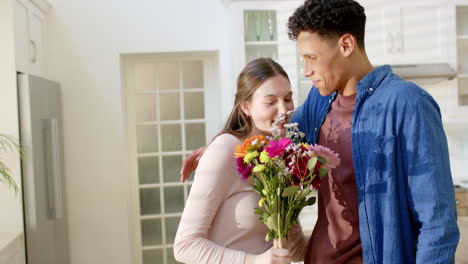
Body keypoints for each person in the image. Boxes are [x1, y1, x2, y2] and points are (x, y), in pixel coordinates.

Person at [181, 0, 460, 263]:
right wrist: (221, 149)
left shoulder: (408, 105)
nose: (306, 71)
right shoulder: (320, 101)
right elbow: (274, 139)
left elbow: (438, 222)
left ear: (346, 45)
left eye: (312, 57)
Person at [173, 58, 307, 264]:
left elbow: (295, 249)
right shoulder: (224, 149)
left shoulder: (281, 157)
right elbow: (185, 245)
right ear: (246, 107)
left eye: (288, 99)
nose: (283, 110)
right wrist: (254, 261)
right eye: (271, 102)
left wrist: (348, 236)